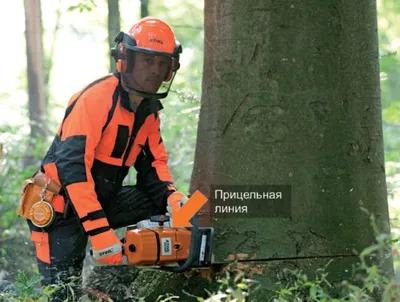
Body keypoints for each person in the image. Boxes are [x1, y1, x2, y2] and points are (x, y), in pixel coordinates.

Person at [24, 16, 189, 301]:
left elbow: (153, 166)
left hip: (101, 199)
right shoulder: (95, 98)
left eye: (161, 63)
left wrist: (173, 198)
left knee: (157, 200)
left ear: (169, 70)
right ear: (126, 59)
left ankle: (119, 270)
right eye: (147, 61)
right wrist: (99, 231)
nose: (154, 70)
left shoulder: (148, 111)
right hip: (60, 207)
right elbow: (73, 168)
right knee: (63, 293)